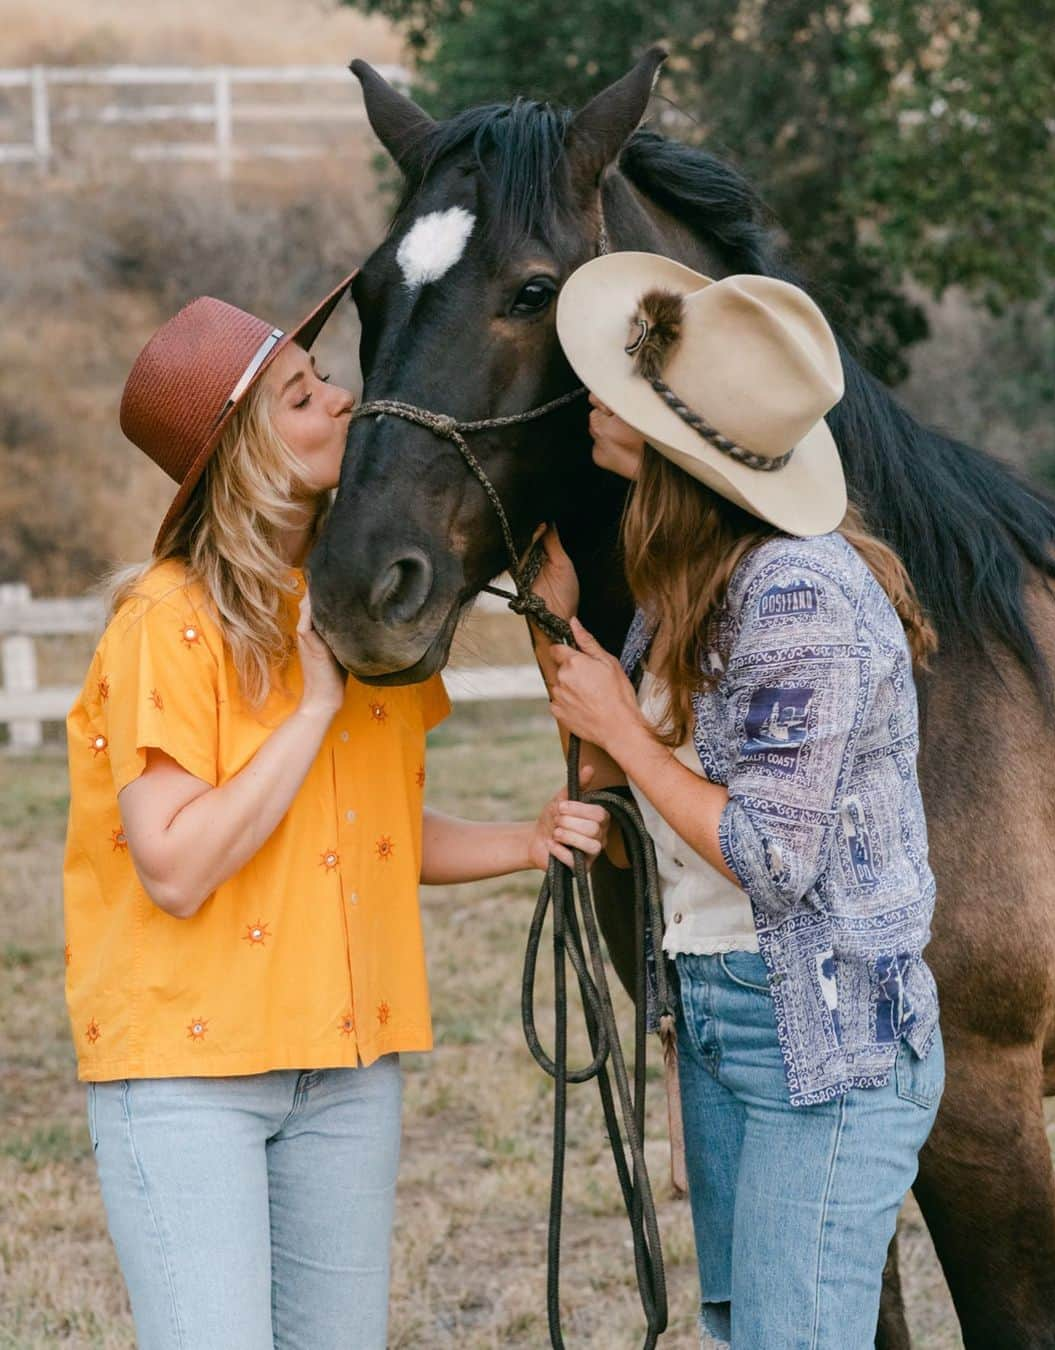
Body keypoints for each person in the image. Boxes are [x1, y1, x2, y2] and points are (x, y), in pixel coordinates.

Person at [62, 273, 608, 1350]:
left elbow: (373, 839)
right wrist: (312, 707)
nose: (344, 401)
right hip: (188, 1078)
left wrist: (527, 838)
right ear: (246, 455)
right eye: (302, 398)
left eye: (328, 380)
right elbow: (173, 866)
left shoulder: (357, 607)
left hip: (349, 1072)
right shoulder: (167, 625)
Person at [530, 253, 943, 1349]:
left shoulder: (795, 593)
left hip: (817, 1032)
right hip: (723, 1014)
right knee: (740, 1330)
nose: (595, 400)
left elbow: (770, 854)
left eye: (625, 391)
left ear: (679, 450)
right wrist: (555, 633)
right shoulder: (688, 585)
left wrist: (619, 724)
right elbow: (629, 792)